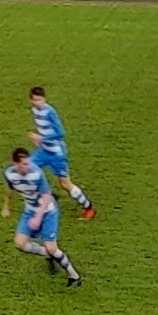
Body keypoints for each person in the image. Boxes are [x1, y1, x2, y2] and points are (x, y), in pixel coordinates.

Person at [2, 148, 82, 287]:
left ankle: (73, 275)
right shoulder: (10, 174)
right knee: (20, 243)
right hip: (29, 211)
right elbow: (10, 188)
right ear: (15, 163)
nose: (28, 166)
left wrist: (38, 217)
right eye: (24, 164)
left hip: (47, 212)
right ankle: (49, 254)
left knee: (52, 248)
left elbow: (47, 196)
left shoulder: (36, 173)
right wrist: (6, 206)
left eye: (28, 163)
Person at [27, 87, 94, 219]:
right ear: (31, 100)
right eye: (35, 100)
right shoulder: (34, 110)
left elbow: (60, 133)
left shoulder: (50, 112)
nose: (37, 102)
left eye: (40, 100)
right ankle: (49, 195)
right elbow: (44, 128)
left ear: (44, 99)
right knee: (27, 170)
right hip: (43, 150)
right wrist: (38, 140)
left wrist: (41, 138)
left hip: (56, 153)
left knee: (65, 183)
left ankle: (88, 207)